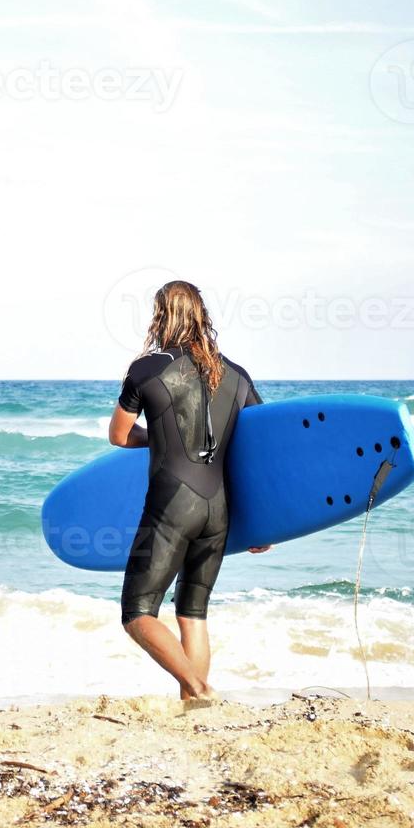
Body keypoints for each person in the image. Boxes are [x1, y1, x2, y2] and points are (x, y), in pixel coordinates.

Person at [107, 281, 268, 700]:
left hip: (171, 505)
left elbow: (120, 436)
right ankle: (194, 708)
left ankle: (198, 689)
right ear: (202, 317)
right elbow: (259, 449)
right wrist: (264, 523)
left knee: (138, 613)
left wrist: (160, 439)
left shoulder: (146, 369)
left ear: (160, 315)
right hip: (219, 511)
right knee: (192, 613)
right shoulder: (236, 373)